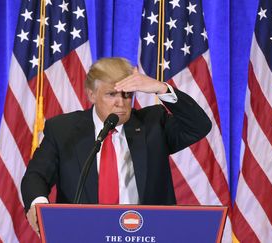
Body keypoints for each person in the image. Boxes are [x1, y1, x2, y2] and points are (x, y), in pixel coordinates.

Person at [21, 57, 212, 234]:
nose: (120, 103)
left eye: (127, 95)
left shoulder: (153, 125)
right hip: (84, 234)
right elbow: (36, 175)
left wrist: (161, 88)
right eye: (111, 94)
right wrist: (39, 205)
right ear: (92, 95)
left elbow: (199, 125)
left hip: (145, 234)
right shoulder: (64, 130)